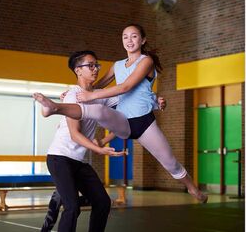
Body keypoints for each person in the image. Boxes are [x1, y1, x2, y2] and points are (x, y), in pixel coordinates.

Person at [34, 24, 207, 204]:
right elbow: (95, 86)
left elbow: (126, 87)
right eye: (125, 37)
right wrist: (74, 95)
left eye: (134, 36)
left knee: (169, 162)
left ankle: (192, 187)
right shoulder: (117, 66)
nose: (129, 41)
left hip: (144, 123)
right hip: (123, 121)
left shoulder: (146, 61)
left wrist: (156, 101)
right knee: (98, 110)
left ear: (143, 40)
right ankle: (55, 108)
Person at [35, 50, 129, 232]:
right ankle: (63, 197)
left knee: (102, 202)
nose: (95, 69)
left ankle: (61, 197)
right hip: (60, 157)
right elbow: (74, 134)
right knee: (72, 208)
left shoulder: (100, 95)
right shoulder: (73, 95)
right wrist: (99, 149)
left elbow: (127, 105)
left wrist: (155, 101)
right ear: (78, 70)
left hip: (79, 161)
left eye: (97, 65)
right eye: (90, 65)